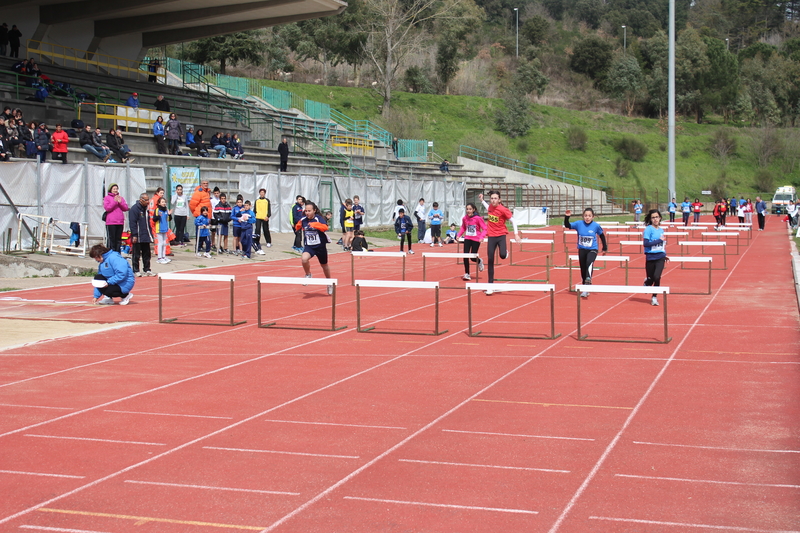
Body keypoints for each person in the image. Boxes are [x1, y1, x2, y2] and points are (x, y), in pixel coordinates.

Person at [480, 191, 521, 294]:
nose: (493, 200)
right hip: (491, 236)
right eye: (492, 198)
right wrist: (482, 200)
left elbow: (514, 221)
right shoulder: (490, 207)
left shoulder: (503, 210)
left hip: (501, 235)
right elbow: (486, 206)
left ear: (499, 200)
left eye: (495, 198)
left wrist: (516, 234)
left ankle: (505, 252)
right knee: (490, 259)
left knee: (502, 255)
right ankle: (490, 285)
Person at [564, 207, 608, 298]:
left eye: (589, 216)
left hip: (592, 249)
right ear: (583, 216)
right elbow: (567, 225)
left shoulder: (596, 226)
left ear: (593, 217)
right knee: (583, 268)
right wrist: (567, 217)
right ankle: (585, 288)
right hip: (582, 249)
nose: (587, 218)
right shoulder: (579, 224)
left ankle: (588, 279)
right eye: (585, 216)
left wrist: (605, 248)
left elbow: (602, 236)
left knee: (589, 262)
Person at [296, 201, 334, 294]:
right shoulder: (303, 219)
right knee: (304, 259)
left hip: (320, 246)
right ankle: (308, 274)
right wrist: (297, 226)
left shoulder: (318, 218)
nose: (307, 213)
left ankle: (329, 283)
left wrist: (315, 225)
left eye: (309, 211)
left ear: (314, 211)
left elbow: (325, 227)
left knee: (324, 266)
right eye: (306, 211)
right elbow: (297, 226)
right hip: (309, 246)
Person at [643, 208, 669, 306]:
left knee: (657, 277)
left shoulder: (662, 230)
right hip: (650, 257)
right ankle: (647, 282)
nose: (655, 219)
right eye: (653, 218)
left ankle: (654, 297)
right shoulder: (648, 229)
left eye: (657, 217)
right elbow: (646, 243)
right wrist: (658, 240)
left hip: (660, 257)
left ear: (660, 218)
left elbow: (662, 245)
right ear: (650, 219)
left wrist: (665, 254)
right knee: (651, 279)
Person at [456, 203, 486, 281]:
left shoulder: (478, 218)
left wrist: (482, 237)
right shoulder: (464, 218)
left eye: (470, 209)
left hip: (476, 239)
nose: (468, 211)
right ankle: (467, 273)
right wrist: (459, 235)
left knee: (473, 257)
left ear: (473, 210)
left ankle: (479, 261)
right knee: (465, 255)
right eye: (467, 209)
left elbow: (485, 228)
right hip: (468, 238)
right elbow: (463, 227)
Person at [129, 192, 154, 277]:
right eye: (146, 200)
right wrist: (134, 235)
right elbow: (132, 223)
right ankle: (136, 270)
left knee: (146, 253)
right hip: (138, 235)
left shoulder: (146, 209)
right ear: (141, 200)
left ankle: (147, 269)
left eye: (148, 200)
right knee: (136, 253)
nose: (147, 202)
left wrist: (150, 233)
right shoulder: (134, 209)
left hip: (145, 234)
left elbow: (148, 222)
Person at [103, 183, 129, 252]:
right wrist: (114, 202)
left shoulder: (121, 198)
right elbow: (107, 208)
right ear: (110, 190)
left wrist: (120, 203)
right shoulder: (107, 198)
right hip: (111, 222)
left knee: (118, 239)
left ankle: (117, 253)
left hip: (120, 222)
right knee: (112, 239)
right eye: (114, 189)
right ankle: (111, 252)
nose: (115, 190)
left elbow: (125, 208)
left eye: (116, 189)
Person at [152, 196, 172, 264]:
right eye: (162, 202)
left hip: (165, 228)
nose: (164, 203)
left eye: (164, 202)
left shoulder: (166, 210)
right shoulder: (157, 210)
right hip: (159, 228)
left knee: (164, 243)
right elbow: (154, 219)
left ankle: (163, 256)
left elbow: (168, 219)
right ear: (159, 203)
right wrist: (158, 216)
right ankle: (159, 258)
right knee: (160, 243)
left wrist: (169, 215)